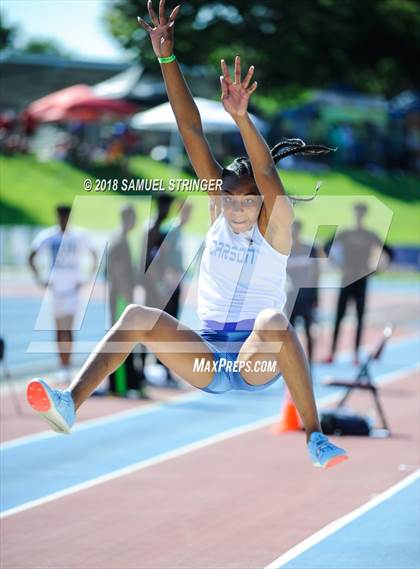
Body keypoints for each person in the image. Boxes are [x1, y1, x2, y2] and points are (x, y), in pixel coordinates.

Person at [26, 1, 347, 470]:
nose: (236, 206)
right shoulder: (220, 206)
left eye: (245, 200)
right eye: (229, 197)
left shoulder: (277, 227)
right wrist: (166, 59)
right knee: (137, 313)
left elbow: (263, 168)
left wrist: (241, 117)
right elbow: (190, 128)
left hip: (255, 361)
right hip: (207, 357)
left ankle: (315, 436)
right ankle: (71, 402)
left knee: (275, 320)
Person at [28, 205, 97, 383]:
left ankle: (68, 365)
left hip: (72, 290)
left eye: (66, 216)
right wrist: (40, 279)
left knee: (70, 329)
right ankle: (62, 366)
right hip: (57, 290)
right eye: (61, 216)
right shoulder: (49, 236)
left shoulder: (79, 236)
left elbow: (94, 254)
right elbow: (32, 255)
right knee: (59, 330)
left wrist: (87, 277)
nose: (64, 219)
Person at [324, 203, 393, 365]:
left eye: (362, 212)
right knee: (339, 317)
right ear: (354, 213)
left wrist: (378, 268)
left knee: (360, 318)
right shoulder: (345, 233)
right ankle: (332, 353)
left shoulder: (370, 235)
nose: (359, 215)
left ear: (364, 215)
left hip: (361, 280)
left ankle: (355, 355)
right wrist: (336, 263)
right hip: (346, 279)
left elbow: (389, 252)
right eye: (357, 212)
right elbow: (327, 246)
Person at [138, 195, 192, 388]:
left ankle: (164, 368)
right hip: (155, 290)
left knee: (168, 329)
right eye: (164, 207)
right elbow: (148, 263)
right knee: (149, 328)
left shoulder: (163, 230)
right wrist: (159, 287)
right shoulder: (153, 229)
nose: (166, 211)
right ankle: (142, 370)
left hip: (166, 287)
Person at [108, 204, 148, 398]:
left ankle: (124, 384)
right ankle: (119, 386)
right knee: (122, 341)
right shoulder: (119, 242)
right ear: (128, 219)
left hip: (120, 298)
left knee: (124, 341)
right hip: (121, 300)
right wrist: (130, 300)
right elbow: (120, 274)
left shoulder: (120, 240)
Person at [285, 220, 320, 363]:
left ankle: (310, 362)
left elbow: (317, 273)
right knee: (288, 333)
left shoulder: (310, 249)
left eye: (296, 230)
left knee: (309, 330)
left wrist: (316, 295)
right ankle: (288, 361)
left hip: (306, 297)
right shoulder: (286, 250)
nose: (294, 233)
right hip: (292, 297)